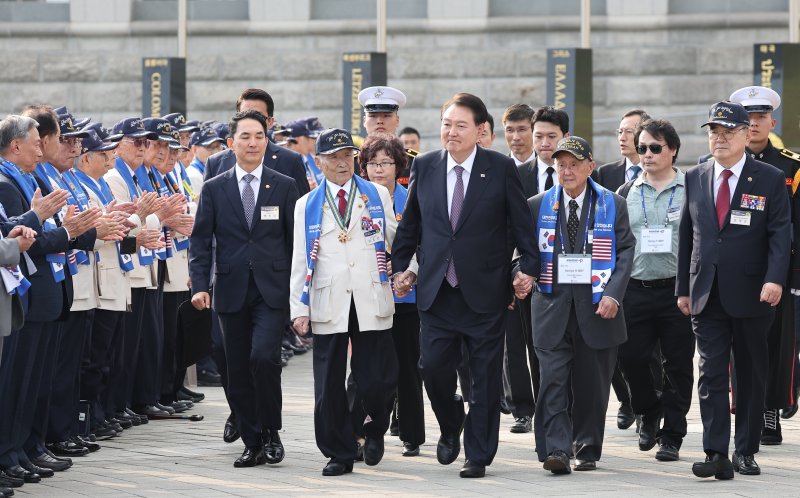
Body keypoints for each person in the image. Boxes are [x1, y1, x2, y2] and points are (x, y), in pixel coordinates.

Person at [392, 93, 538, 479]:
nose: (451, 132)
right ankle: (451, 417)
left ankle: (478, 453)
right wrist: (401, 267)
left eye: (461, 125)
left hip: (485, 292)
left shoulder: (500, 167)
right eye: (446, 124)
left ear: (480, 130)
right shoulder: (423, 166)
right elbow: (410, 225)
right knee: (433, 369)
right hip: (437, 292)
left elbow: (523, 227)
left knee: (486, 377)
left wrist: (528, 269)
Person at [677, 101, 790, 479]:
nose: (719, 138)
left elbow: (780, 234)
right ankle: (714, 452)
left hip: (753, 292)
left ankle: (745, 450)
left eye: (727, 132)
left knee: (750, 374)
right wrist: (683, 288)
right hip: (706, 292)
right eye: (713, 132)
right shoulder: (695, 176)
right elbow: (687, 237)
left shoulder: (771, 177)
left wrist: (775, 278)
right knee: (709, 375)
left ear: (746, 134)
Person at [520, 136, 635, 474]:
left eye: (573, 164)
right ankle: (556, 449)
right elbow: (521, 253)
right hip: (551, 307)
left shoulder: (612, 204)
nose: (566, 171)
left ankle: (586, 447)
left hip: (597, 307)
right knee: (552, 380)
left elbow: (626, 250)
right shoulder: (536, 205)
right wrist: (520, 274)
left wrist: (613, 293)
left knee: (592, 385)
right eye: (561, 164)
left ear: (590, 166)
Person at [191, 109, 298, 468]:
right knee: (236, 367)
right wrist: (200, 285)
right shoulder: (214, 188)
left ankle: (272, 431)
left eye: (259, 136)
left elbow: (293, 242)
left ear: (267, 141)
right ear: (230, 144)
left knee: (264, 358)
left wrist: (298, 293)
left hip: (272, 289)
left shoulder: (283, 185)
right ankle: (252, 441)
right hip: (230, 288)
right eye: (245, 137)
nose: (253, 143)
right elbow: (201, 241)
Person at [290, 128, 398, 476]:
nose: (342, 163)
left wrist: (406, 266)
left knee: (375, 381)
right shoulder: (306, 204)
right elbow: (300, 259)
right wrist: (298, 309)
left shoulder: (376, 194)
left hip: (369, 295)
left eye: (347, 156)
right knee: (329, 382)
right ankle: (337, 450)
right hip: (328, 299)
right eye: (333, 157)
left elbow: (397, 239)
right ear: (319, 161)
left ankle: (372, 427)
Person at [617, 119, 694, 462]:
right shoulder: (627, 192)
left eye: (655, 148)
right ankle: (648, 409)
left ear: (673, 150)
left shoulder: (692, 187)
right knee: (630, 358)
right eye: (642, 148)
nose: (647, 154)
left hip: (678, 289)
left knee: (678, 364)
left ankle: (672, 434)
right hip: (636, 288)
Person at [729, 85, 800, 443]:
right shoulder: (723, 163)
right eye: (748, 118)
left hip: (777, 273)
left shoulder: (792, 165)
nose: (754, 124)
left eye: (760, 117)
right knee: (736, 345)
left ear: (772, 121)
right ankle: (743, 409)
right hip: (735, 271)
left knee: (777, 343)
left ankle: (771, 409)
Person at [359, 134, 425, 457]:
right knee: (370, 368)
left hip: (406, 296)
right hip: (369, 296)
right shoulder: (359, 196)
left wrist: (407, 274)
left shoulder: (409, 196)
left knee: (409, 366)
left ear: (398, 165)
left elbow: (417, 241)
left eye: (385, 162)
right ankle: (364, 429)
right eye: (372, 163)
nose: (379, 169)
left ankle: (412, 432)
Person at [501, 103, 541, 434]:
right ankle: (521, 408)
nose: (516, 137)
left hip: (549, 271)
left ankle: (549, 402)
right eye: (510, 131)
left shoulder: (553, 170)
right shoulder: (498, 169)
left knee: (542, 342)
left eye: (522, 130)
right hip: (509, 272)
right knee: (512, 344)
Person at [204, 89, 309, 197]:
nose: (251, 121)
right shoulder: (216, 163)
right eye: (244, 115)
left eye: (258, 116)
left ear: (270, 122)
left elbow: (301, 209)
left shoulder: (290, 161)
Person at [595, 110, 649, 191]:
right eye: (620, 132)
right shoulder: (605, 173)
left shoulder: (658, 171)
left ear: (645, 135)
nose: (622, 138)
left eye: (629, 132)